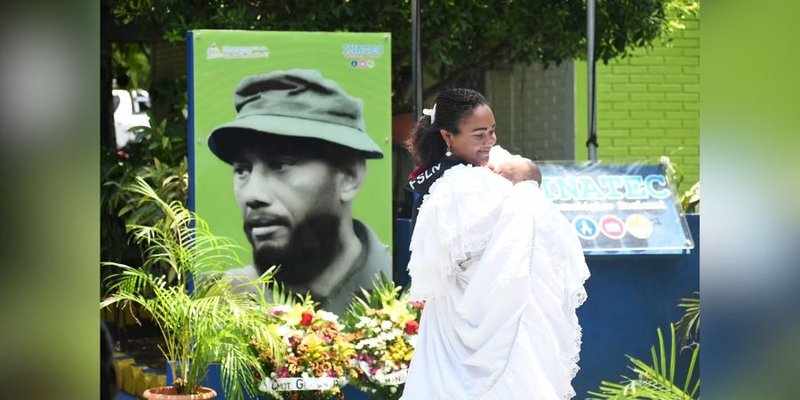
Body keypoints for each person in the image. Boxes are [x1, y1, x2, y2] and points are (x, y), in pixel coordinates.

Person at [400, 88, 590, 399]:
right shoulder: (460, 185)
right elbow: (533, 220)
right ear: (448, 136)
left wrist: (525, 175)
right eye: (478, 135)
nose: (489, 141)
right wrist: (526, 180)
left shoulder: (451, 176)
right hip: (491, 319)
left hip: (466, 321)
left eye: (492, 131)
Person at [207, 68, 391, 314]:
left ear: (349, 177)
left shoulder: (401, 288)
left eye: (279, 165)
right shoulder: (228, 299)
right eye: (242, 170)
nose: (253, 196)